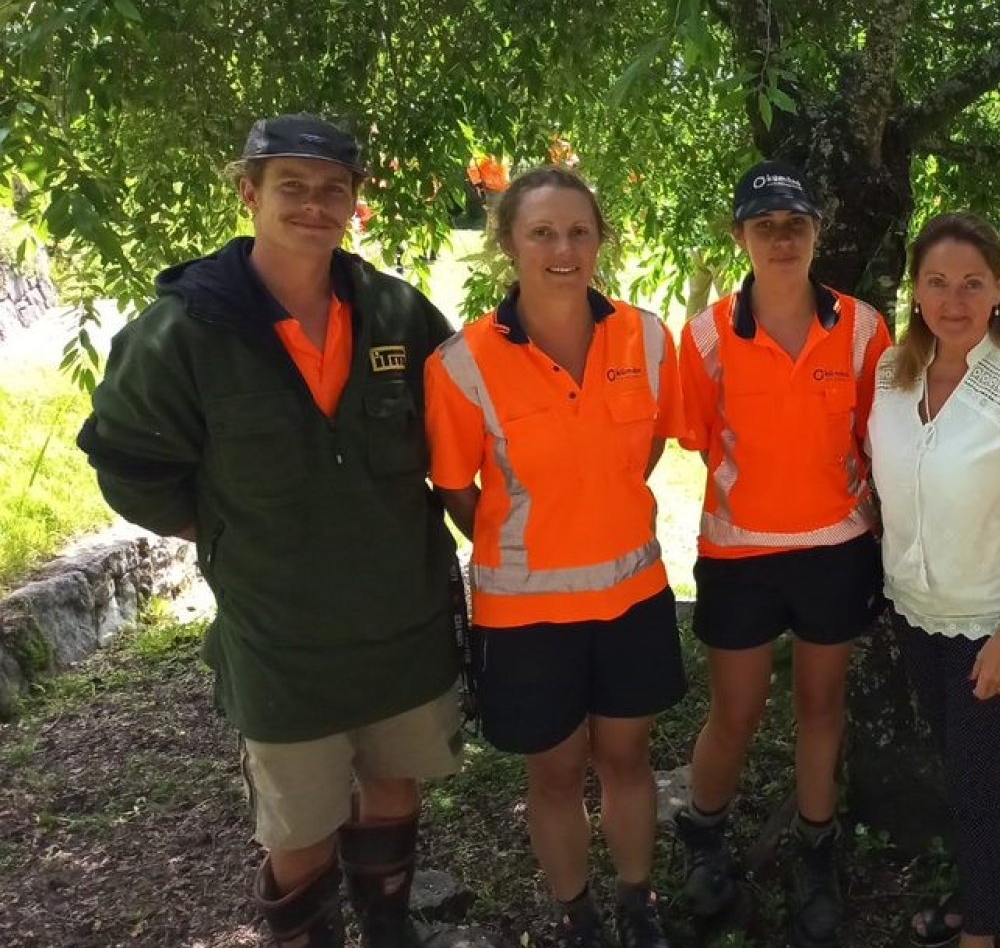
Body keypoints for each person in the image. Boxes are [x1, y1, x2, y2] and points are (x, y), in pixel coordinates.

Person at [77, 114, 463, 948]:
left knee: (396, 787)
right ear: (250, 194)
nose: (314, 205)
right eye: (291, 186)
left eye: (334, 189)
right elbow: (129, 465)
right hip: (280, 639)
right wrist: (223, 534)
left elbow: (465, 432)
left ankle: (389, 928)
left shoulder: (396, 312)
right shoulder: (185, 330)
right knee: (297, 826)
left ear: (356, 205)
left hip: (404, 622)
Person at [423, 167, 687, 948]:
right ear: (508, 243)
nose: (563, 248)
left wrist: (595, 512)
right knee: (556, 773)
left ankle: (639, 904)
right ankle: (578, 918)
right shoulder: (462, 363)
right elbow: (455, 487)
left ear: (601, 238)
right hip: (525, 612)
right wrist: (531, 542)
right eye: (542, 232)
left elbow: (651, 445)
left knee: (629, 759)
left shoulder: (644, 336)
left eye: (579, 231)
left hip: (633, 594)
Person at [672, 162, 890, 946]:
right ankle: (702, 835)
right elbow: (698, 438)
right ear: (740, 237)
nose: (782, 237)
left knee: (820, 708)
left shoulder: (863, 328)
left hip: (836, 549)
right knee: (735, 710)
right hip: (738, 554)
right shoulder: (704, 338)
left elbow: (877, 432)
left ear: (817, 233)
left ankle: (816, 851)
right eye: (764, 225)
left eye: (795, 223)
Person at [866, 213, 1000, 948]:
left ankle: (981, 931)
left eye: (971, 284)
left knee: (977, 778)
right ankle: (974, 897)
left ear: (999, 289)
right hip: (917, 609)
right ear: (916, 291)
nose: (952, 301)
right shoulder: (893, 377)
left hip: (995, 619)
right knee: (959, 770)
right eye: (936, 282)